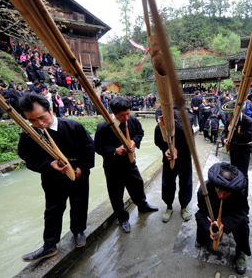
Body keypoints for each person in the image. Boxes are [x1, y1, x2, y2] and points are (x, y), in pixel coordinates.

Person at [17, 93, 95, 262]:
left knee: (79, 204)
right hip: (52, 178)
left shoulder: (74, 127)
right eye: (32, 121)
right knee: (53, 210)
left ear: (50, 110)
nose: (39, 124)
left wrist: (81, 166)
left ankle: (78, 231)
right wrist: (48, 165)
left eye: (42, 118)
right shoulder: (29, 135)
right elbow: (28, 159)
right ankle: (50, 245)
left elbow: (88, 148)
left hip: (78, 176)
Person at [94, 97, 158, 234]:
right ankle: (122, 218)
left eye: (128, 113)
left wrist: (134, 141)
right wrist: (114, 150)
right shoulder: (104, 126)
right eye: (123, 115)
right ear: (114, 113)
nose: (126, 117)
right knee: (116, 193)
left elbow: (140, 133)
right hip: (112, 165)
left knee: (137, 184)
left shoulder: (132, 120)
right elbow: (98, 147)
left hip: (129, 162)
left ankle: (142, 205)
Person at [195, 162, 251, 275]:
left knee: (243, 222)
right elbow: (202, 211)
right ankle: (202, 237)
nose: (221, 196)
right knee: (200, 218)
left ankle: (241, 251)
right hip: (212, 213)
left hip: (230, 214)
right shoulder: (204, 189)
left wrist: (224, 223)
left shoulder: (239, 191)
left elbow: (243, 210)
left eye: (226, 193)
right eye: (219, 190)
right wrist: (210, 225)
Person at [154, 109, 193, 222]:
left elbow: (190, 144)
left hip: (184, 158)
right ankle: (169, 206)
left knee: (185, 182)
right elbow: (158, 142)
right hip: (168, 159)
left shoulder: (185, 127)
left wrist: (178, 151)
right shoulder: (160, 127)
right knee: (168, 183)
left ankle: (184, 206)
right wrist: (166, 149)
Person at [220, 100, 252, 192]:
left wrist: (234, 131)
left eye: (231, 114)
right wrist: (224, 139)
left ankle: (244, 194)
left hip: (244, 150)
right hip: (233, 149)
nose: (230, 116)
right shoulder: (229, 120)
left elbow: (250, 137)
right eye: (229, 114)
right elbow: (224, 132)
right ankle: (235, 192)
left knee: (243, 173)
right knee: (233, 172)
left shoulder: (248, 120)